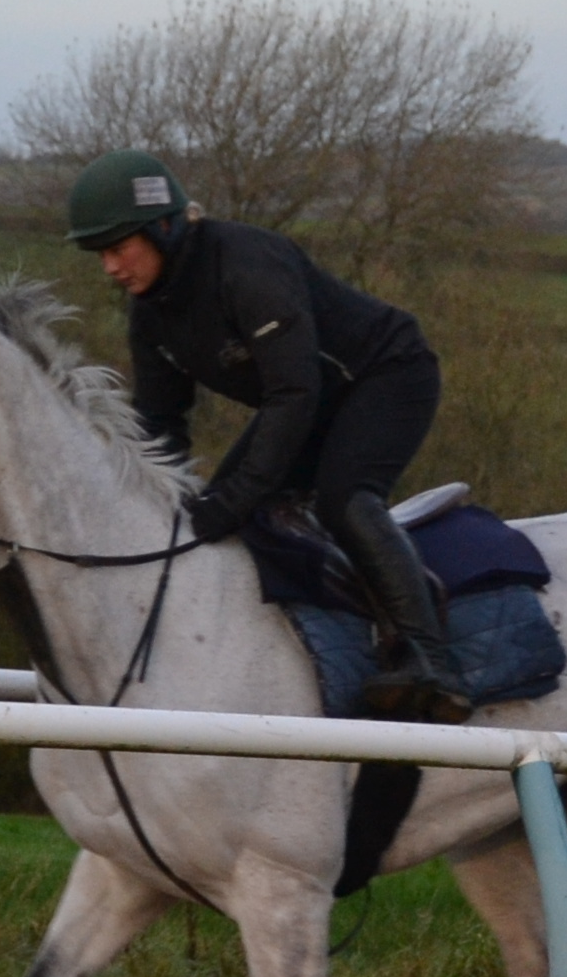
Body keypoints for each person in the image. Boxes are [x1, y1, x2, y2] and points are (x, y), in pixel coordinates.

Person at [63, 147, 474, 722]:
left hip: (387, 377)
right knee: (218, 519)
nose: (109, 267)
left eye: (117, 248)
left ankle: (430, 657)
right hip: (310, 398)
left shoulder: (246, 262)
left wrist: (231, 499)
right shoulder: (149, 314)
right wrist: (158, 505)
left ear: (164, 225)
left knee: (342, 498)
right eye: (99, 254)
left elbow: (294, 393)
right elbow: (160, 424)